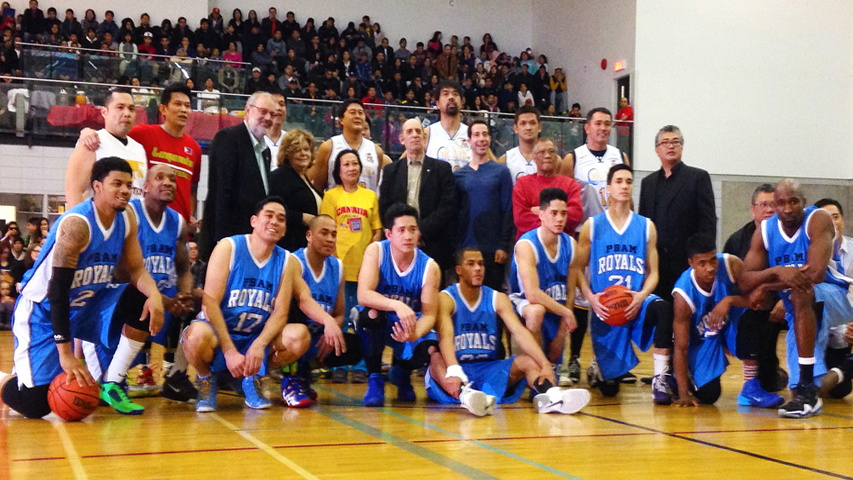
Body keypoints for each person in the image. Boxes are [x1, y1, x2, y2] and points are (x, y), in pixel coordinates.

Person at [0, 157, 164, 419]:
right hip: (43, 310)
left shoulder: (128, 217)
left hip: (89, 303)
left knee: (140, 298)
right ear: (97, 186)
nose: (124, 190)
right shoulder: (78, 225)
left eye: (128, 185)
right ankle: (5, 379)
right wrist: (66, 354)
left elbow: (136, 270)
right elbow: (57, 292)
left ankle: (112, 382)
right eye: (117, 183)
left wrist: (154, 295)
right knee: (36, 404)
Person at [183, 196, 344, 412]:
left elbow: (284, 311)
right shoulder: (229, 247)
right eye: (268, 215)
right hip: (220, 334)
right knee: (194, 336)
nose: (274, 222)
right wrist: (230, 351)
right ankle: (205, 380)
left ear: (285, 229)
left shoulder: (287, 261)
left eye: (281, 219)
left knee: (299, 336)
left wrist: (328, 321)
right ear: (254, 221)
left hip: (254, 337)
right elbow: (209, 304)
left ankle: (254, 378)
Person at [83, 164, 198, 405]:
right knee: (97, 395)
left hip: (163, 294)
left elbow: (184, 268)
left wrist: (185, 296)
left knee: (201, 299)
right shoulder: (128, 214)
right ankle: (110, 373)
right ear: (144, 188)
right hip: (125, 293)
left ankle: (176, 376)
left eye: (173, 179)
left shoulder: (177, 221)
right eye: (160, 177)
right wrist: (164, 301)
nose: (168, 182)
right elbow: (123, 272)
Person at [427, 248, 591, 416]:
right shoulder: (446, 298)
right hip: (458, 368)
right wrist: (454, 369)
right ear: (458, 270)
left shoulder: (496, 297)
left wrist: (545, 364)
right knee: (436, 359)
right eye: (471, 264)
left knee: (529, 361)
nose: (478, 268)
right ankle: (466, 397)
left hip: (489, 368)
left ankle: (551, 396)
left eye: (481, 264)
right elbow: (445, 336)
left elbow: (520, 333)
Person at [740, 180, 853, 417]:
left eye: (793, 202)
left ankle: (805, 385)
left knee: (800, 290)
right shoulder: (765, 231)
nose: (788, 209)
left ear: (803, 202)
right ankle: (814, 386)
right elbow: (745, 280)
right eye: (781, 203)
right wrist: (776, 271)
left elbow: (815, 274)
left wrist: (768, 285)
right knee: (800, 395)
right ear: (774, 205)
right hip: (799, 305)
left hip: (837, 296)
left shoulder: (817, 219)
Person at [576, 165, 675, 403]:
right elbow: (576, 269)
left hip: (636, 302)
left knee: (663, 308)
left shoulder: (646, 226)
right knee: (610, 390)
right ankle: (598, 369)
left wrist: (641, 296)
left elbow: (654, 273)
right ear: (608, 188)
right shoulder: (593, 225)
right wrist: (591, 298)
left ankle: (660, 378)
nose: (624, 185)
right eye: (618, 181)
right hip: (607, 308)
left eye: (628, 181)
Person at [671, 234, 783, 408]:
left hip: (728, 326)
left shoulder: (731, 265)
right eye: (702, 263)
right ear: (691, 263)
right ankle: (677, 377)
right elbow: (680, 347)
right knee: (709, 394)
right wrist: (684, 395)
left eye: (713, 260)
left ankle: (752, 386)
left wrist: (729, 300)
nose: (710, 268)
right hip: (701, 341)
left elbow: (759, 300)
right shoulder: (683, 295)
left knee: (757, 316)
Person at [77, 84, 202, 228]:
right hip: (144, 225)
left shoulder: (195, 148)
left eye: (187, 106)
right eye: (178, 104)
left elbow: (193, 189)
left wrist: (191, 214)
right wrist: (87, 131)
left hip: (179, 228)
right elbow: (114, 132)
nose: (183, 110)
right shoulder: (142, 135)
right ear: (163, 109)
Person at [357, 204, 441, 406]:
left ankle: (402, 373)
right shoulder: (376, 251)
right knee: (371, 315)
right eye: (401, 230)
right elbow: (363, 295)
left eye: (413, 229)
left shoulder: (430, 266)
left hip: (409, 324)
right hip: (384, 319)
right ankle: (375, 378)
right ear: (389, 234)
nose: (408, 236)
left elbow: (429, 314)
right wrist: (397, 305)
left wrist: (414, 334)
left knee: (431, 346)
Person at [287, 215, 365, 404]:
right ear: (309, 235)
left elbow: (340, 314)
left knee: (356, 345)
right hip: (291, 332)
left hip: (318, 333)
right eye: (324, 233)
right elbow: (297, 304)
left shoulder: (337, 266)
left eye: (333, 234)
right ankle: (289, 378)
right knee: (296, 315)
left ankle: (306, 369)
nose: (330, 239)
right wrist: (327, 322)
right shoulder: (294, 261)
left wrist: (331, 331)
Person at [321, 149, 383, 383]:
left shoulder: (370, 196)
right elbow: (325, 228)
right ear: (338, 170)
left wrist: (370, 253)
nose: (351, 168)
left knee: (362, 319)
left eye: (355, 163)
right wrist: (333, 260)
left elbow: (377, 229)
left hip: (364, 270)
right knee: (342, 318)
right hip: (339, 268)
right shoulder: (331, 197)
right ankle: (340, 364)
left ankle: (360, 365)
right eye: (346, 164)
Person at [638, 125, 716, 301]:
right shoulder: (648, 183)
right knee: (659, 315)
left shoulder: (697, 178)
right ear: (657, 150)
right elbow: (643, 225)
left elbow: (708, 223)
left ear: (682, 147)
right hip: (656, 263)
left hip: (686, 262)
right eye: (665, 142)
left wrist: (702, 260)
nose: (671, 146)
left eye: (676, 142)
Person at [723, 184, 788, 392]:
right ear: (753, 210)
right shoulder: (737, 241)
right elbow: (731, 285)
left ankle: (806, 377)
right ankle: (753, 385)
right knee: (750, 318)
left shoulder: (790, 235)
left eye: (774, 205)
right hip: (752, 306)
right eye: (764, 205)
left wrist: (784, 301)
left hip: (787, 303)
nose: (769, 210)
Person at [199, 92, 276, 260]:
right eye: (263, 111)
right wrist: (223, 242)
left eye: (272, 114)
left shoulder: (266, 151)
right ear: (248, 111)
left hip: (253, 240)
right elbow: (221, 192)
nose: (268, 117)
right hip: (229, 240)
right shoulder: (228, 138)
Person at [509, 188, 579, 374]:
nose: (559, 219)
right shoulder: (527, 245)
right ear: (541, 214)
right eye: (553, 213)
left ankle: (547, 371)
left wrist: (562, 334)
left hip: (556, 311)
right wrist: (566, 312)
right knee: (536, 311)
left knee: (555, 375)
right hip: (522, 307)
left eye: (563, 213)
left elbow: (570, 293)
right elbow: (532, 294)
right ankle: (533, 368)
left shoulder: (571, 244)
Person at [379, 118, 457, 273]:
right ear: (402, 139)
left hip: (432, 245)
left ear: (424, 138)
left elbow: (447, 207)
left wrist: (418, 232)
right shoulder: (390, 171)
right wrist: (402, 233)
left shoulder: (442, 169)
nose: (414, 135)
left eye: (418, 131)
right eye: (409, 132)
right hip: (397, 246)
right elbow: (385, 208)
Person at [454, 119, 513, 290]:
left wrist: (502, 245)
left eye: (485, 134)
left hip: (493, 249)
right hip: (466, 247)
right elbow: (455, 214)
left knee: (492, 298)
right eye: (477, 134)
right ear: (469, 141)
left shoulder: (501, 172)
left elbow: (507, 209)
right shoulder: (458, 175)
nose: (481, 138)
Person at [66, 88, 147, 207]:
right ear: (104, 112)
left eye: (131, 109)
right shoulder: (92, 141)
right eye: (120, 107)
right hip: (101, 221)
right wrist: (81, 223)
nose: (127, 113)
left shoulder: (139, 148)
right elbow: (74, 191)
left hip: (133, 221)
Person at [309, 99, 387, 192]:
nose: (357, 116)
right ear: (341, 120)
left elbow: (376, 185)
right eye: (352, 112)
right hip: (336, 205)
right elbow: (318, 187)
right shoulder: (328, 147)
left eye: (361, 113)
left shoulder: (376, 151)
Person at [558, 107, 629, 209]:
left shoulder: (621, 157)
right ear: (587, 128)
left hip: (615, 223)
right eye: (598, 123)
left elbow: (628, 198)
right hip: (585, 223)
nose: (603, 128)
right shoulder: (573, 158)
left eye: (607, 124)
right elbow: (562, 198)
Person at [513, 138, 583, 239]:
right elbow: (521, 219)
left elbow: (575, 216)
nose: (547, 156)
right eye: (542, 152)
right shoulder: (522, 184)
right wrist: (559, 215)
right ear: (534, 158)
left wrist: (541, 211)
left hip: (562, 244)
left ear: (557, 156)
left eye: (551, 152)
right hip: (530, 244)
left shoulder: (570, 184)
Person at [269, 129, 324, 252]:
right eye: (297, 150)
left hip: (306, 246)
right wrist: (301, 217)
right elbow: (272, 210)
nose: (303, 154)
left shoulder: (304, 177)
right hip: (289, 246)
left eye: (306, 149)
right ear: (287, 154)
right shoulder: (280, 176)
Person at [424, 81, 470, 171]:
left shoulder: (473, 134)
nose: (451, 97)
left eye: (455, 94)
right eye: (445, 94)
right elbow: (404, 163)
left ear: (462, 102)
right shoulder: (427, 133)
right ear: (437, 103)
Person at [498, 105, 541, 185]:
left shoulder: (551, 159)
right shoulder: (505, 160)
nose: (528, 127)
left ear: (539, 127)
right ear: (515, 128)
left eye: (532, 123)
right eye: (523, 123)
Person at [264, 93, 287, 170]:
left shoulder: (291, 140)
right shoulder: (255, 138)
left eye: (281, 104)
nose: (278, 108)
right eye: (273, 104)